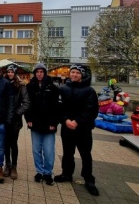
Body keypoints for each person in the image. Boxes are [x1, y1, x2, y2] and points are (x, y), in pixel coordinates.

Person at [54, 64, 100, 196]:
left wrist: (77, 121)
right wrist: (66, 120)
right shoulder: (63, 89)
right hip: (67, 127)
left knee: (86, 154)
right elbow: (59, 108)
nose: (74, 75)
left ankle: (88, 179)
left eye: (77, 73)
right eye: (72, 72)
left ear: (82, 75)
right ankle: (66, 173)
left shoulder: (89, 91)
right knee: (67, 153)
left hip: (83, 129)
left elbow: (91, 110)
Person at [25, 63, 60, 185]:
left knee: (48, 150)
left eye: (41, 72)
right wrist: (28, 119)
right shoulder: (30, 87)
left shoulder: (53, 87)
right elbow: (27, 105)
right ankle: (39, 171)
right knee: (36, 150)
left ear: (45, 73)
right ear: (34, 73)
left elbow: (56, 107)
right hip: (35, 123)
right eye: (37, 72)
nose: (39, 74)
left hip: (49, 124)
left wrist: (54, 123)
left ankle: (48, 172)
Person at [3, 65, 30, 180]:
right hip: (4, 118)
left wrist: (17, 113)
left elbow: (26, 102)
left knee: (13, 143)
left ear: (15, 73)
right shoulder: (3, 84)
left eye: (11, 72)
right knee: (5, 143)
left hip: (15, 120)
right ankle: (7, 165)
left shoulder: (21, 85)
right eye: (8, 72)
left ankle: (14, 167)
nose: (10, 74)